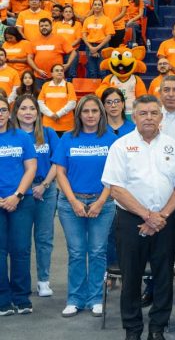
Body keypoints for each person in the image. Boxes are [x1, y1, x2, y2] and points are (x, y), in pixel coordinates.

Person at [101, 95, 175, 340]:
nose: (149, 117)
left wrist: (161, 216)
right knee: (131, 277)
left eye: (153, 113)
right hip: (130, 220)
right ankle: (133, 330)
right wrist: (147, 216)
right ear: (134, 117)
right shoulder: (121, 146)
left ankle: (157, 327)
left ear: (161, 117)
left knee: (163, 276)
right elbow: (115, 188)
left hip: (165, 220)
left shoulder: (173, 146)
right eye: (143, 113)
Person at [52, 94, 117, 317]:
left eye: (94, 111)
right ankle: (75, 298)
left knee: (98, 251)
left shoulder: (111, 139)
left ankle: (96, 297)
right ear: (78, 114)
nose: (90, 115)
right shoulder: (68, 138)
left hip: (103, 203)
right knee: (77, 252)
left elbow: (115, 176)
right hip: (71, 203)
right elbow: (60, 172)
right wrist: (73, 201)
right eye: (85, 111)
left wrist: (100, 202)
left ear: (101, 113)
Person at [12, 95, 59, 301]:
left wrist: (44, 185)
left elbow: (57, 163)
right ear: (17, 112)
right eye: (23, 108)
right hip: (20, 193)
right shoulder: (11, 135)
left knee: (44, 238)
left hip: (45, 191)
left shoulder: (48, 134)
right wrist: (26, 189)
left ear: (38, 112)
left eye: (32, 108)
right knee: (21, 242)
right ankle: (20, 283)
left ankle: (43, 281)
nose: (28, 112)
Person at [0, 94, 37, 316]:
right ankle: (2, 298)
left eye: (3, 110)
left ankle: (21, 297)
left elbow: (31, 168)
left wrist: (17, 195)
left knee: (21, 250)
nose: (0, 114)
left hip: (22, 201)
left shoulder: (22, 137)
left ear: (9, 113)